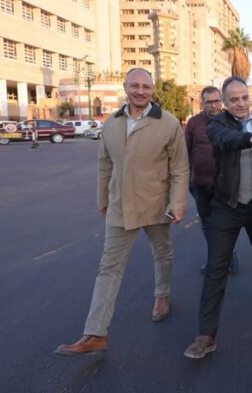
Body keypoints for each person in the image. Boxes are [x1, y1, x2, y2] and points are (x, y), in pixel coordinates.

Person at [55, 68, 189, 356]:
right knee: (109, 267)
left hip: (155, 202)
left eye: (146, 86)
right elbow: (105, 164)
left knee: (162, 253)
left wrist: (177, 203)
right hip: (120, 206)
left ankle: (162, 295)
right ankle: (95, 333)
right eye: (135, 85)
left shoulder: (168, 123)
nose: (140, 91)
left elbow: (180, 167)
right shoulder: (112, 124)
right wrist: (102, 197)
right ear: (125, 88)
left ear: (152, 90)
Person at [184, 77, 252, 359]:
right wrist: (250, 138)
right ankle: (206, 335)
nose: (240, 103)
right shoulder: (217, 125)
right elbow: (225, 140)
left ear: (250, 98)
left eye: (244, 97)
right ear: (225, 102)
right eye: (234, 99)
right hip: (228, 206)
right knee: (216, 266)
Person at [185, 86, 239, 275]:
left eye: (217, 101)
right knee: (208, 224)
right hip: (200, 184)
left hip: (225, 185)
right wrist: (189, 180)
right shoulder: (194, 123)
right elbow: (186, 151)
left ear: (222, 101)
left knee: (224, 224)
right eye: (209, 102)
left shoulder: (231, 121)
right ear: (202, 104)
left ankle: (228, 257)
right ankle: (217, 260)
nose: (214, 105)